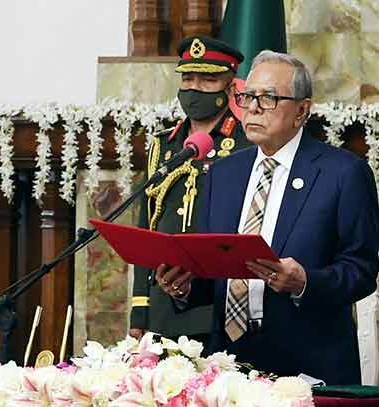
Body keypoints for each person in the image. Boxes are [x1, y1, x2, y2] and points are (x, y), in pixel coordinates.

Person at [157, 51, 379, 385]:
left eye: (269, 98)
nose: (253, 107)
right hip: (229, 365)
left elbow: (361, 271)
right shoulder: (223, 173)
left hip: (308, 368)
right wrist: (183, 286)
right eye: (247, 97)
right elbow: (214, 269)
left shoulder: (343, 173)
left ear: (302, 110)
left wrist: (304, 282)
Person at [130, 35, 251, 342]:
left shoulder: (245, 144)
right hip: (163, 309)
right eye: (188, 78)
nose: (194, 88)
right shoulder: (164, 145)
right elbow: (147, 232)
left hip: (218, 307)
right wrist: (140, 312)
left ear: (230, 84)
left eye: (207, 79)